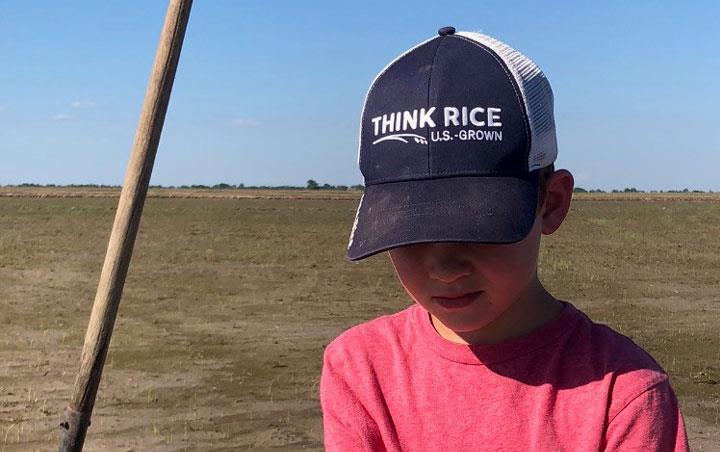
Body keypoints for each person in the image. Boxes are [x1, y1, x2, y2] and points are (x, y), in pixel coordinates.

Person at [319, 27, 689, 451]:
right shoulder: (360, 368)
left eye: (478, 228)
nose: (444, 268)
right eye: (412, 232)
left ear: (550, 202)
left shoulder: (623, 393)